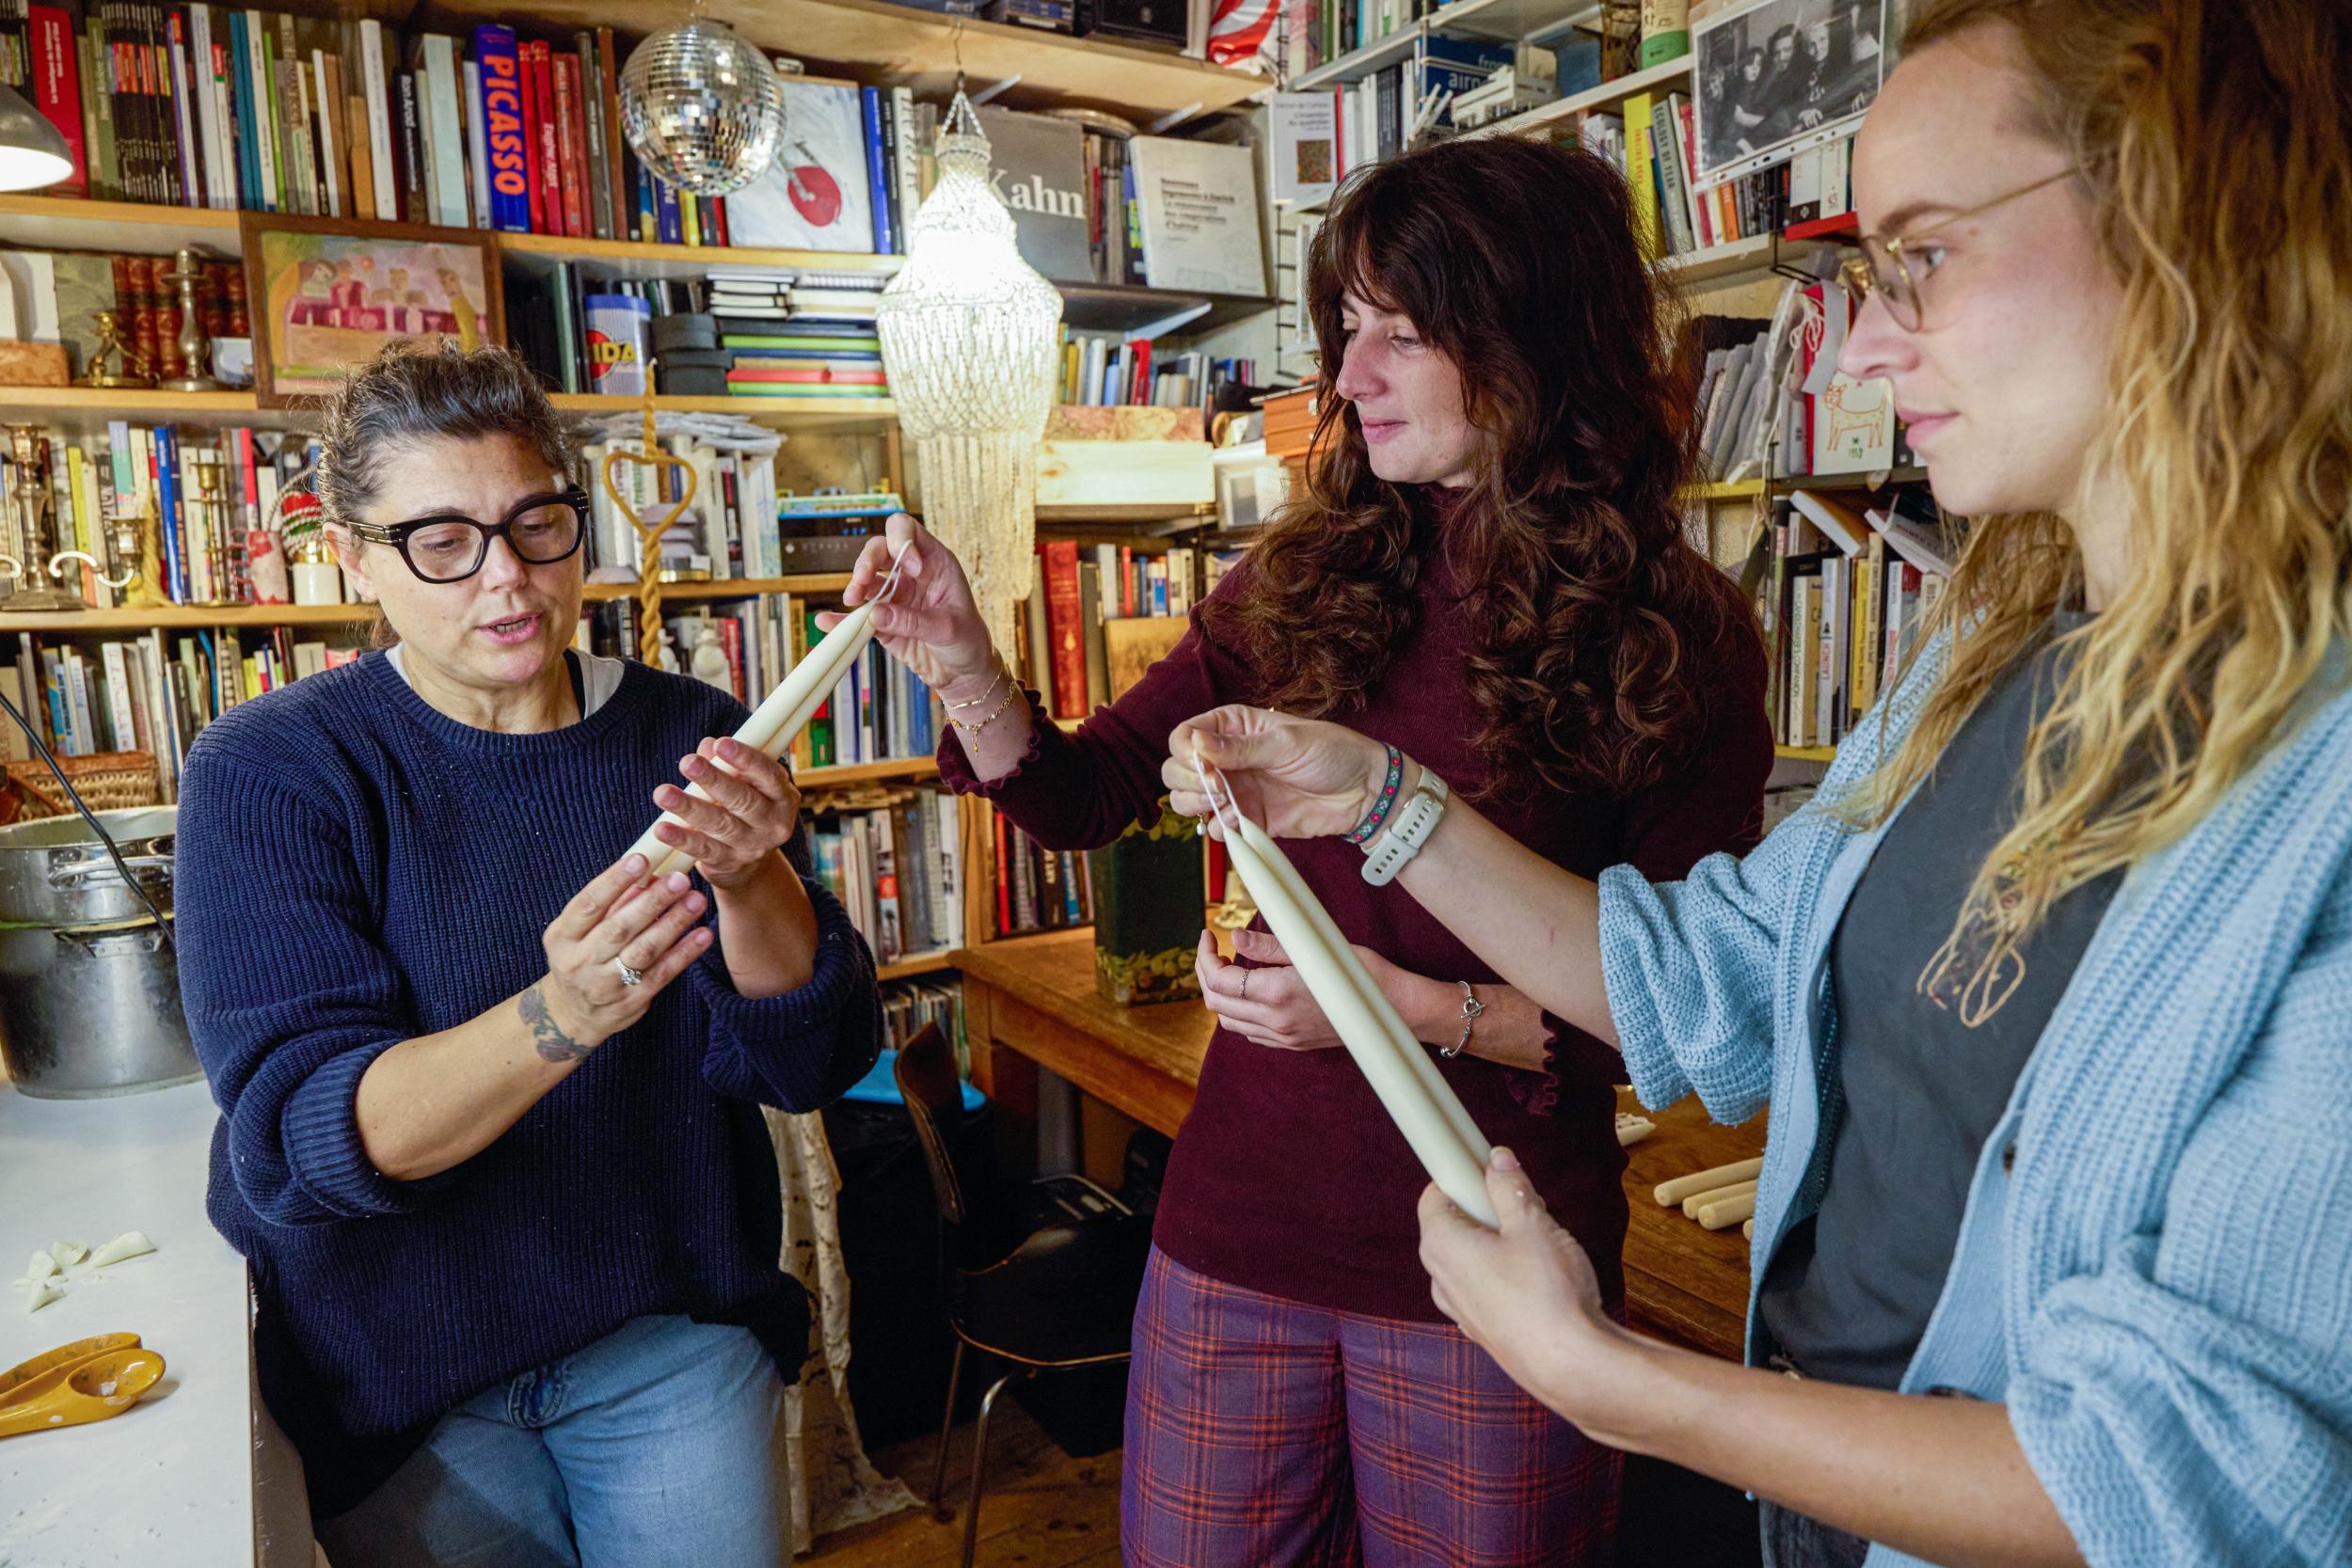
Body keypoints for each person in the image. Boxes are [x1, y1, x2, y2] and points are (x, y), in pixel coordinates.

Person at [1163, 1, 2352, 1564]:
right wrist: (1381, 799)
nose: (1857, 343)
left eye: (1921, 254)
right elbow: (1715, 977)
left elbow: (2190, 1469)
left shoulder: (2314, 782)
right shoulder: (1979, 654)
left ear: (2194, 229)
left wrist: (1622, 1384)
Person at [831, 135, 1772, 1566]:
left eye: (1402, 334)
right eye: (1346, 331)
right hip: (1236, 1239)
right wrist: (961, 660)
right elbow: (1089, 795)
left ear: (1533, 341)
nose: (1350, 376)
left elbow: (1690, 1027)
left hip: (1497, 1257)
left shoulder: (1680, 636)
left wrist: (1411, 1014)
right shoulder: (1303, 576)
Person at [177, 341, 882, 1568]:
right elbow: (300, 1142)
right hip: (403, 1374)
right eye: (440, 542)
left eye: (535, 525)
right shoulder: (275, 769)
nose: (504, 580)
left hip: (669, 1329)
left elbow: (809, 1060)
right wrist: (561, 1014)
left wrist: (750, 868)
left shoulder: (686, 732)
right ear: (353, 556)